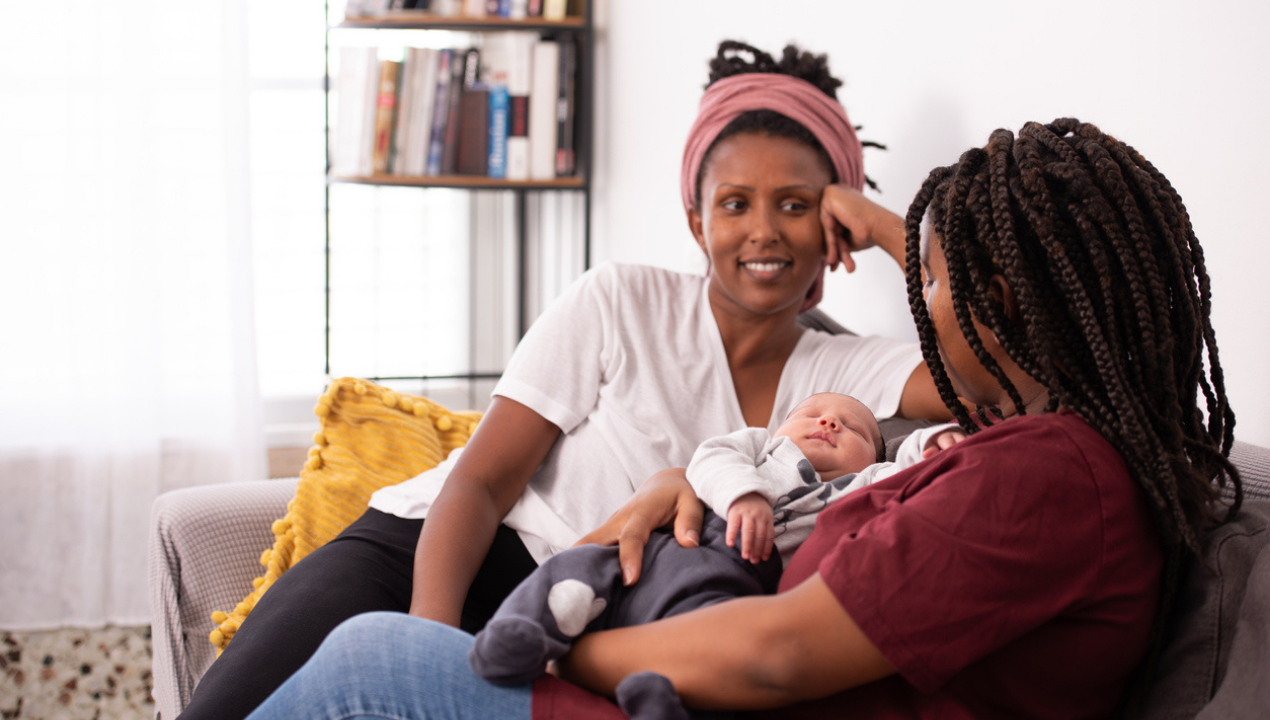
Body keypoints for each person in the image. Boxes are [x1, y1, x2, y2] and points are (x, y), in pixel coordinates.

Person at [239, 116, 1243, 720]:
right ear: (695, 221)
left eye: (934, 277)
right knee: (367, 648)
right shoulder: (1012, 451)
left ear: (1003, 298)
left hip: (677, 675)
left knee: (377, 664)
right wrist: (683, 488)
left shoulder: (1046, 472)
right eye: (733, 205)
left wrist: (549, 642)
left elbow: (772, 652)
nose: (923, 300)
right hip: (601, 605)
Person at [176, 40, 949, 720]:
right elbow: (480, 483)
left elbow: (993, 378)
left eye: (797, 204)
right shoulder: (620, 299)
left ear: (834, 225)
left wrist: (885, 227)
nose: (762, 230)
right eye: (734, 204)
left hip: (570, 619)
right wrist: (426, 641)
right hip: (428, 558)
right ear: (695, 222)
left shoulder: (846, 370)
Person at [468, 392, 961, 720]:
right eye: (811, 413)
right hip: (679, 543)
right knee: (579, 566)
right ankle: (523, 630)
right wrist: (745, 495)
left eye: (853, 428)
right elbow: (710, 459)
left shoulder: (861, 487)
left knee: (699, 641)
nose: (829, 421)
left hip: (729, 581)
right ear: (778, 428)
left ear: (873, 459)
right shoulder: (761, 450)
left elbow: (907, 468)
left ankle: (655, 698)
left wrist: (933, 441)